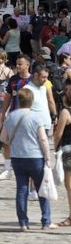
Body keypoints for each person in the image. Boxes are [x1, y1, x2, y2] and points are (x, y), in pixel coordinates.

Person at [0, 89, 58, 231]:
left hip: (17, 157)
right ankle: (46, 220)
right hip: (35, 156)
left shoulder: (11, 117)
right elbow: (43, 139)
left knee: (21, 190)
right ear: (32, 101)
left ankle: (23, 222)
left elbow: (3, 138)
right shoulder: (36, 117)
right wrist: (48, 157)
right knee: (41, 189)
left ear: (19, 101)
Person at [0, 54, 33, 180]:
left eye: (20, 64)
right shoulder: (13, 79)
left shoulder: (33, 80)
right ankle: (7, 169)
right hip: (13, 116)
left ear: (27, 65)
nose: (17, 66)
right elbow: (8, 97)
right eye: (17, 64)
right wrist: (3, 113)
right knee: (6, 141)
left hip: (28, 118)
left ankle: (26, 171)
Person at [54, 85, 71, 226]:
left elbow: (58, 134)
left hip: (68, 151)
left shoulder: (65, 112)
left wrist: (55, 147)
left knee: (69, 185)